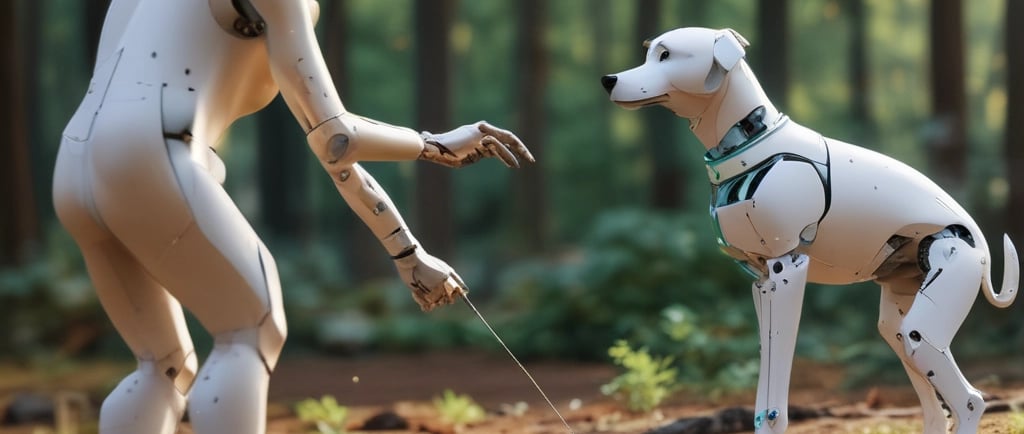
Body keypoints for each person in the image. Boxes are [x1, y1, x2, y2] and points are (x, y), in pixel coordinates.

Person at [52, 0, 533, 432]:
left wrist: (406, 252)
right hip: (154, 143)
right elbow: (337, 137)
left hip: (75, 164)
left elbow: (336, 159)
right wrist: (435, 145)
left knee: (162, 363)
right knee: (250, 329)